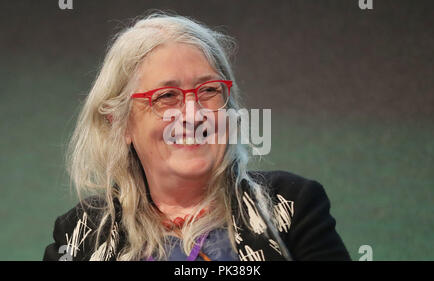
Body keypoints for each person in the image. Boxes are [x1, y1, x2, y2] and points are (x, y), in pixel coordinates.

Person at [43, 13, 350, 261]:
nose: (193, 114)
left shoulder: (289, 206)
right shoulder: (80, 233)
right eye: (166, 96)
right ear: (120, 125)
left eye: (208, 91)